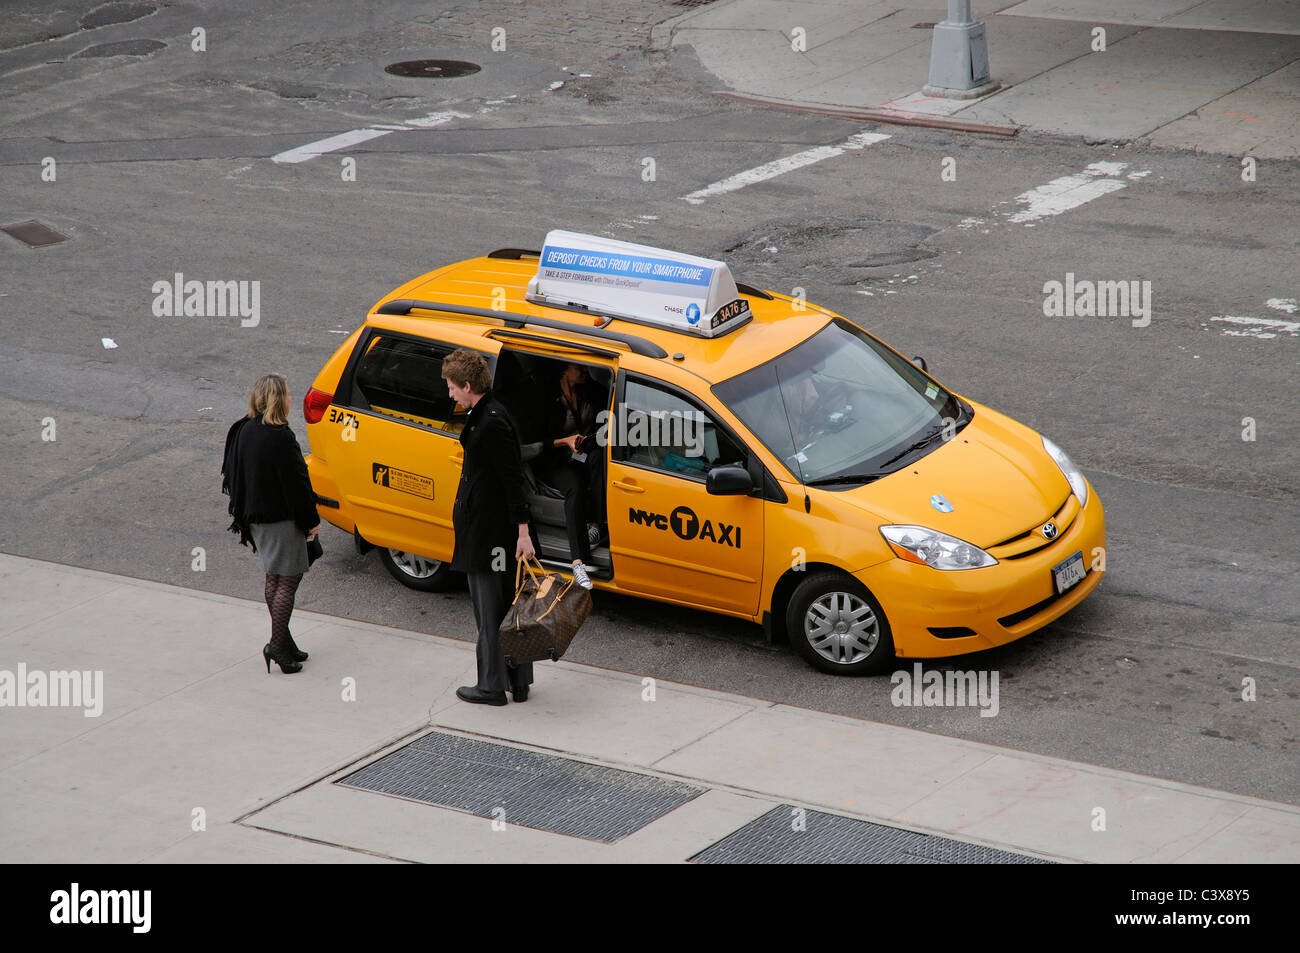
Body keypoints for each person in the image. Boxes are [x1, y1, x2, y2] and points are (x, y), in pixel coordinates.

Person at [442, 349, 536, 706]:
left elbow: (513, 482)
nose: (450, 394)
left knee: (490, 612)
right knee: (509, 609)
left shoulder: (491, 421)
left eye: (452, 387)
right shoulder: (491, 412)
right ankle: (518, 682)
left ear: (468, 386)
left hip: (488, 535)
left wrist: (523, 533)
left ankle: (491, 686)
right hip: (495, 532)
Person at [221, 373, 320, 675]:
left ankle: (284, 642)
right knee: (288, 581)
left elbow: (231, 472)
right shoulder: (281, 436)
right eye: (289, 394)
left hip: (255, 519)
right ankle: (277, 647)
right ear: (279, 399)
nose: (292, 399)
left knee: (273, 578)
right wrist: (311, 522)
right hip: (281, 521)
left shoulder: (244, 429)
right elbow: (297, 486)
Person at [537, 362, 606, 590]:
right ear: (564, 370)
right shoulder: (548, 398)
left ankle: (597, 524)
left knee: (599, 460)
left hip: (582, 453)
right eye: (579, 367)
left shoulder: (588, 391)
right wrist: (565, 441)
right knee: (574, 488)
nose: (585, 371)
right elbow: (539, 441)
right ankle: (579, 562)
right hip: (556, 460)